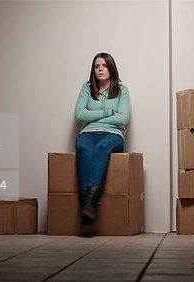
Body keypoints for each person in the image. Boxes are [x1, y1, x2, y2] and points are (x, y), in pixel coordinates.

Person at [74, 52, 131, 226]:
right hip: (88, 133)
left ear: (111, 68)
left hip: (113, 134)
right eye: (97, 66)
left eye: (104, 65)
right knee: (83, 149)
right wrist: (107, 112)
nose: (100, 69)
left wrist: (91, 115)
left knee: (101, 149)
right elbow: (79, 115)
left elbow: (122, 119)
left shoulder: (122, 90)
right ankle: (88, 207)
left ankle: (87, 202)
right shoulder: (86, 88)